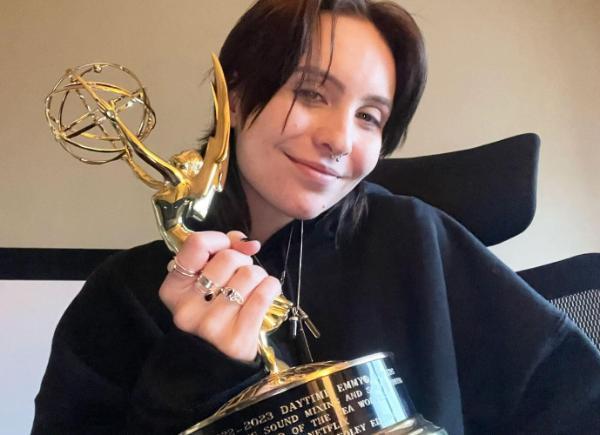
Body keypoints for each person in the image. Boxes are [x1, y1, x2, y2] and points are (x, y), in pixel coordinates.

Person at [33, 1, 600, 434]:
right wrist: (193, 372)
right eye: (310, 92)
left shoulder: (417, 239)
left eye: (371, 117)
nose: (339, 139)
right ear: (234, 96)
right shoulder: (126, 296)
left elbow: (574, 394)